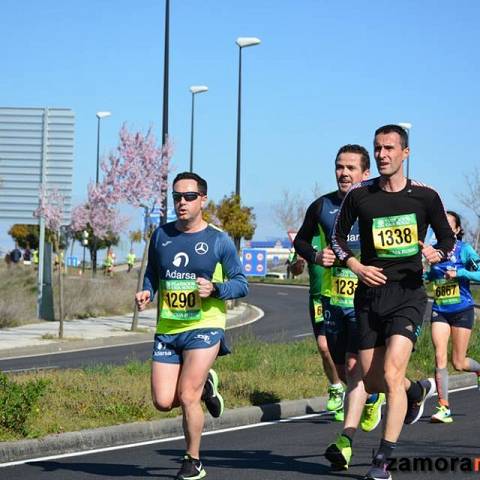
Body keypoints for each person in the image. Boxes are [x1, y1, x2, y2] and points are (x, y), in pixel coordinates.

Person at [331, 125, 456, 480]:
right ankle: (416, 392)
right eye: (378, 148)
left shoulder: (425, 196)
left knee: (391, 372)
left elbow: (446, 238)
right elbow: (338, 239)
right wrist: (356, 266)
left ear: (405, 153)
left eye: (389, 148)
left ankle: (382, 460)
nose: (383, 154)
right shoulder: (360, 195)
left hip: (408, 294)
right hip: (369, 295)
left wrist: (436, 252)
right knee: (371, 382)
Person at [135, 172, 248, 480]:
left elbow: (241, 284)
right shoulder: (160, 236)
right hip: (169, 327)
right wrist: (148, 291)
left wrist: (215, 289)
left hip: (205, 324)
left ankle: (193, 460)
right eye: (176, 197)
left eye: (188, 197)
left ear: (202, 200)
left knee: (187, 396)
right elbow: (152, 272)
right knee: (162, 401)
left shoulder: (218, 240)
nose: (181, 203)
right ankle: (208, 384)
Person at [294, 144, 385, 471]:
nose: (343, 173)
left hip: (366, 302)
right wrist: (316, 256)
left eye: (350, 168)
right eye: (339, 167)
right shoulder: (321, 206)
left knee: (353, 364)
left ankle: (345, 440)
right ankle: (372, 395)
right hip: (334, 301)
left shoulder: (377, 204)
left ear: (365, 173)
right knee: (343, 367)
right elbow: (300, 241)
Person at [426, 210, 480, 423]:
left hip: (462, 310)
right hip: (440, 310)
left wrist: (460, 273)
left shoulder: (464, 250)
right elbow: (431, 275)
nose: (445, 229)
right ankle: (444, 407)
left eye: (450, 226)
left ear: (457, 230)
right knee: (439, 356)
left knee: (458, 362)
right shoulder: (433, 253)